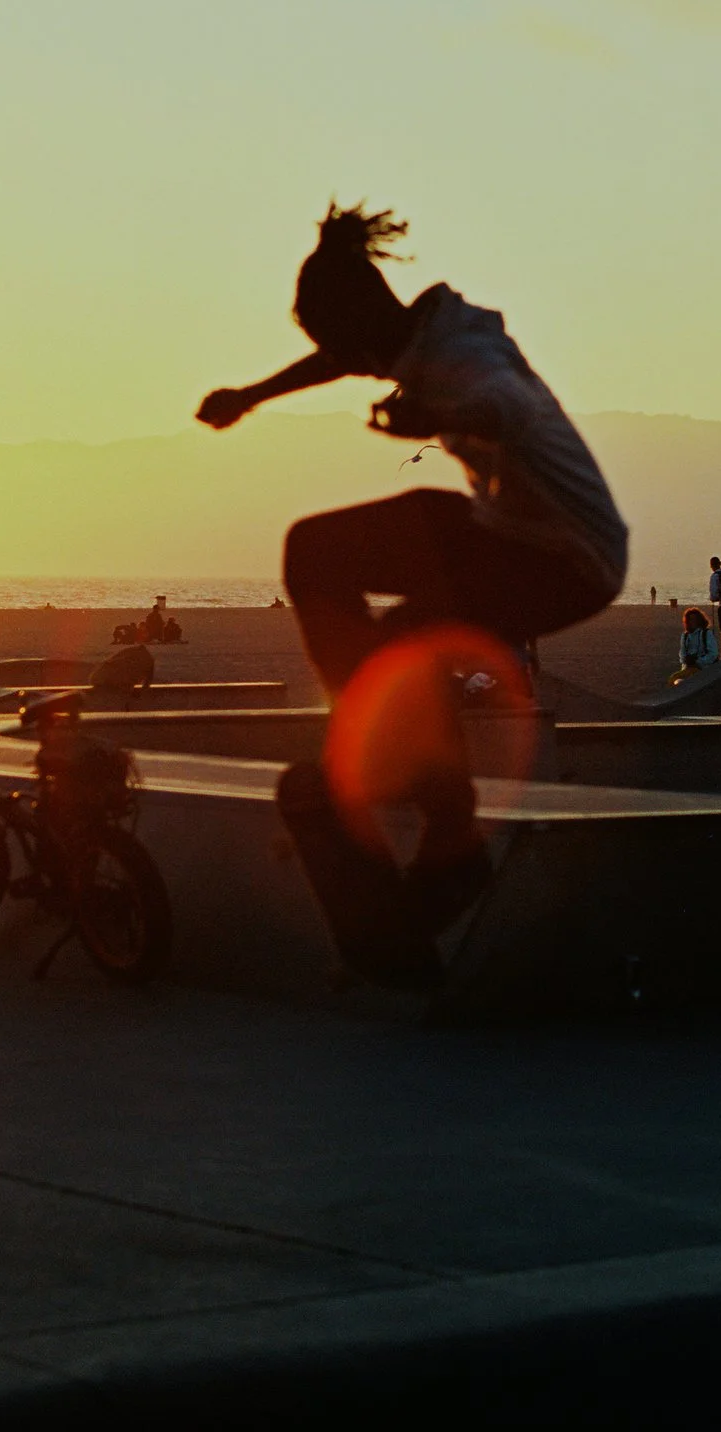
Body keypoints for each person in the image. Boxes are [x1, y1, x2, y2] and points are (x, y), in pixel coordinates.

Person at [198, 200, 626, 909]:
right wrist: (252, 396)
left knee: (402, 639)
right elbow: (333, 359)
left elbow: (507, 407)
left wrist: (438, 417)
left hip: (567, 563)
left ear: (366, 327)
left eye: (351, 354)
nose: (356, 371)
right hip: (501, 533)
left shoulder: (462, 357)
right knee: (315, 548)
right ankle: (416, 773)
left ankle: (435, 809)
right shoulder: (412, 337)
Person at [671, 607, 718, 683]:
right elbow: (682, 654)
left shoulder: (706, 634)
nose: (692, 622)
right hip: (688, 668)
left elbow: (713, 654)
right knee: (674, 680)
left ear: (699, 620)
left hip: (704, 668)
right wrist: (686, 660)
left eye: (694, 619)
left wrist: (698, 661)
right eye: (690, 619)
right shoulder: (685, 636)